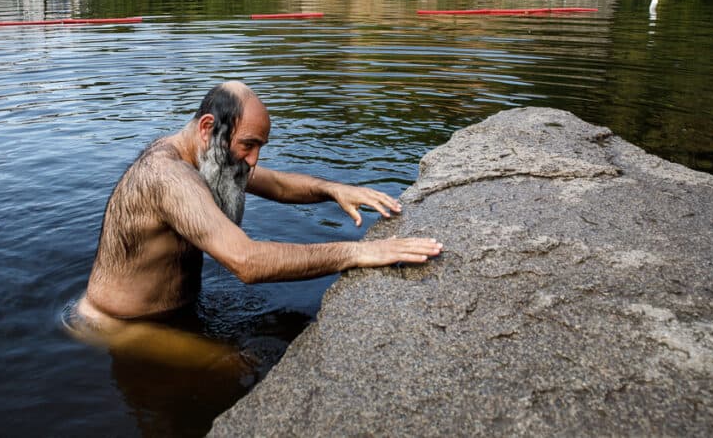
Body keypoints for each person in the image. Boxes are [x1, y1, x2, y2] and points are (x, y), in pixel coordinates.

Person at [70, 82, 442, 367]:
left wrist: (334, 189)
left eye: (259, 147)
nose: (252, 161)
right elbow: (246, 261)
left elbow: (276, 183)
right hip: (119, 325)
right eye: (248, 145)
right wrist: (359, 251)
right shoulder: (168, 178)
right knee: (242, 367)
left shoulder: (207, 155)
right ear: (207, 127)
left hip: (172, 314)